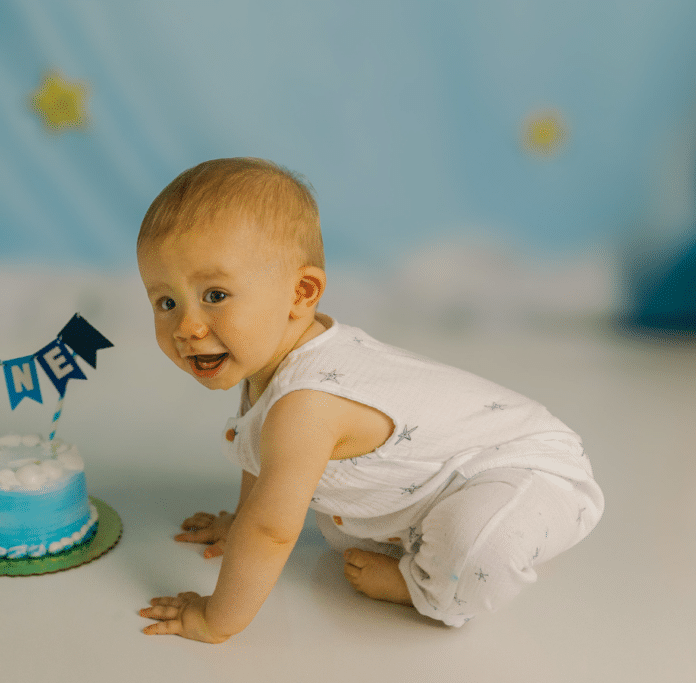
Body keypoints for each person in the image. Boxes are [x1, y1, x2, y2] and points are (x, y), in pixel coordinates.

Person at [136, 158, 603, 642]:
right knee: (334, 520)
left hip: (530, 471)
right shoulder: (273, 360)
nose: (187, 328)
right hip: (440, 481)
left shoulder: (306, 404)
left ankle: (424, 588)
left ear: (301, 292)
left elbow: (271, 531)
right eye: (166, 302)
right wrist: (239, 523)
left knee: (480, 544)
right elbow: (260, 452)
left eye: (214, 294)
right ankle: (429, 541)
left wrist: (217, 618)